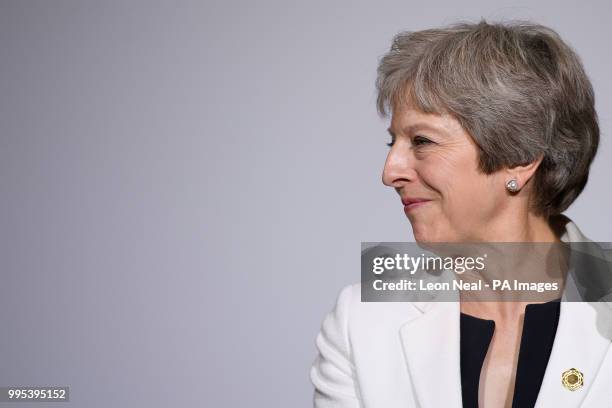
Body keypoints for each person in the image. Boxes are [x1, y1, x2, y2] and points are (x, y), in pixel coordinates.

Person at [311, 20, 612, 407]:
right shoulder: (361, 320)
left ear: (519, 157)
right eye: (393, 142)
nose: (390, 172)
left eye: (422, 141)